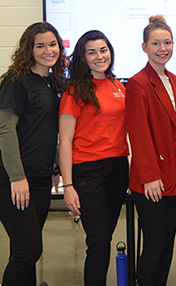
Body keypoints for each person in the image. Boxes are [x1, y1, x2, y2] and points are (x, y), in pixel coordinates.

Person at [59, 30, 129, 286]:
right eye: (92, 52)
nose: (100, 56)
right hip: (87, 172)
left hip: (118, 169)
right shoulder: (75, 90)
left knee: (104, 239)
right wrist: (68, 186)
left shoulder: (118, 86)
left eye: (103, 50)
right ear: (82, 57)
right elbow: (65, 142)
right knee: (98, 242)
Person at [0, 22, 66, 286]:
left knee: (23, 249)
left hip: (38, 179)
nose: (48, 50)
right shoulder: (17, 81)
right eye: (40, 46)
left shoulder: (50, 81)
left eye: (52, 44)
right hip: (13, 181)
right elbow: (5, 130)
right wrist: (17, 177)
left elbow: (44, 130)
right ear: (29, 49)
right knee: (29, 249)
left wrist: (53, 167)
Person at [126, 15, 176, 286]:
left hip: (173, 174)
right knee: (154, 243)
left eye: (167, 42)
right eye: (156, 43)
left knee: (168, 243)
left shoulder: (173, 79)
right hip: (151, 179)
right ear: (144, 47)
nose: (163, 48)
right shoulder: (138, 83)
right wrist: (150, 175)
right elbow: (138, 134)